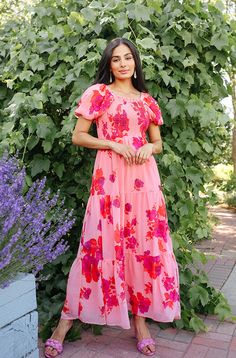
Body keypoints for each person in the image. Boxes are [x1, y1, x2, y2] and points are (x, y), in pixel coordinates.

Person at [45, 37, 180, 358]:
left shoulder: (147, 100)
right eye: (116, 59)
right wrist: (112, 144)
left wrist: (150, 146)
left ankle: (141, 323)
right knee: (97, 244)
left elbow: (157, 142)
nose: (123, 63)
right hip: (109, 179)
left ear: (135, 62)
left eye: (128, 57)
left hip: (143, 181)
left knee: (144, 247)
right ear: (109, 64)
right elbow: (78, 135)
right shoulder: (98, 94)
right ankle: (62, 325)